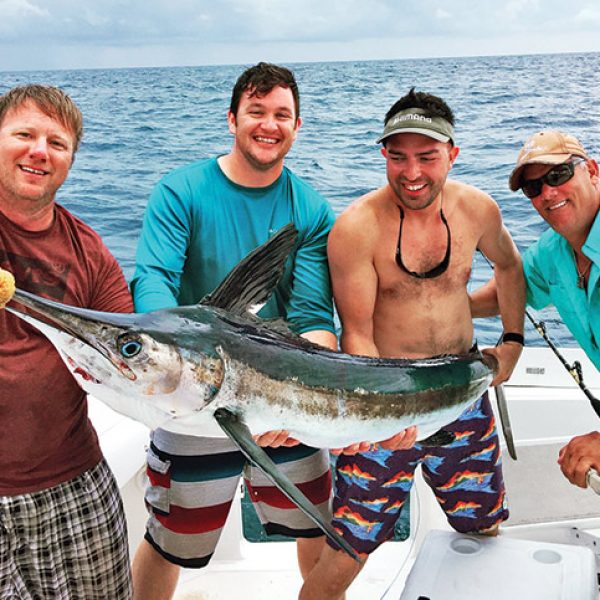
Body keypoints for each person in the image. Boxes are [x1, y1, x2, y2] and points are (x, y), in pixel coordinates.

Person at [129, 62, 414, 599]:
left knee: (313, 522)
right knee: (171, 540)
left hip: (281, 400)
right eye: (256, 112)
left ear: (297, 126)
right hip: (190, 398)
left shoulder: (309, 208)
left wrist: (290, 404)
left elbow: (310, 317)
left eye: (282, 114)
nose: (269, 124)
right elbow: (154, 290)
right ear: (232, 118)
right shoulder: (180, 192)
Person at [299, 88, 526, 599]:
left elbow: (510, 266)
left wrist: (512, 340)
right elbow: (356, 332)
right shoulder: (356, 227)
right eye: (397, 156)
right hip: (387, 392)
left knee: (482, 524)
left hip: (464, 388)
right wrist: (385, 415)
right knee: (350, 545)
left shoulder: (478, 210)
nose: (412, 172)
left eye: (426, 156)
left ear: (452, 153)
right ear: (383, 155)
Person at [0, 85, 133, 598]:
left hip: (73, 479)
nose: (40, 151)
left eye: (57, 143)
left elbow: (130, 354)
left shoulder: (91, 253)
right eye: (25, 135)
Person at [470, 129, 600, 490]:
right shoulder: (553, 251)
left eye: (558, 175)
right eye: (534, 187)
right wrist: (448, 307)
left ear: (592, 170)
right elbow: (511, 291)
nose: (548, 193)